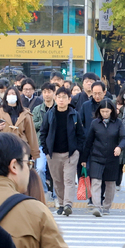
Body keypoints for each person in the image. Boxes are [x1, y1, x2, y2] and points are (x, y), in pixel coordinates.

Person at [39, 87, 84, 216]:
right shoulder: (50, 114)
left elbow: (81, 134)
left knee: (69, 180)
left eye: (64, 97)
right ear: (55, 98)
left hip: (70, 154)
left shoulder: (75, 114)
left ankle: (68, 204)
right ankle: (61, 203)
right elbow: (43, 132)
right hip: (53, 154)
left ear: (69, 99)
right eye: (59, 97)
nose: (61, 100)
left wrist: (77, 150)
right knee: (57, 180)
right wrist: (46, 150)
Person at [81, 100, 125, 217]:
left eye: (107, 111)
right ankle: (97, 206)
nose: (105, 114)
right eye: (102, 111)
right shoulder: (95, 123)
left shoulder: (118, 123)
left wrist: (119, 147)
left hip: (112, 157)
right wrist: (83, 159)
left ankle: (106, 206)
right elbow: (88, 141)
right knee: (96, 181)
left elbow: (124, 138)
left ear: (112, 111)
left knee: (110, 183)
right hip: (96, 156)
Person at [0, 86, 41, 162]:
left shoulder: (25, 114)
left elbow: (31, 134)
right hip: (4, 148)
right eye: (9, 94)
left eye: (13, 94)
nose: (11, 96)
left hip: (21, 147)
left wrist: (34, 153)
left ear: (17, 96)